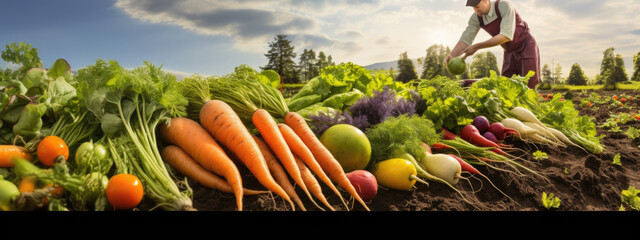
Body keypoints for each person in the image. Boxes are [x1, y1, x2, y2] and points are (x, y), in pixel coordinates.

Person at [445, 0, 540, 89]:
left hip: (526, 46)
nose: (475, 10)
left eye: (477, 6)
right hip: (509, 51)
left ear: (486, 1)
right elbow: (466, 39)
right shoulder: (476, 18)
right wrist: (452, 54)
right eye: (473, 7)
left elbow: (506, 36)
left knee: (529, 85)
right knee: (506, 87)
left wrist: (477, 46)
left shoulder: (504, 6)